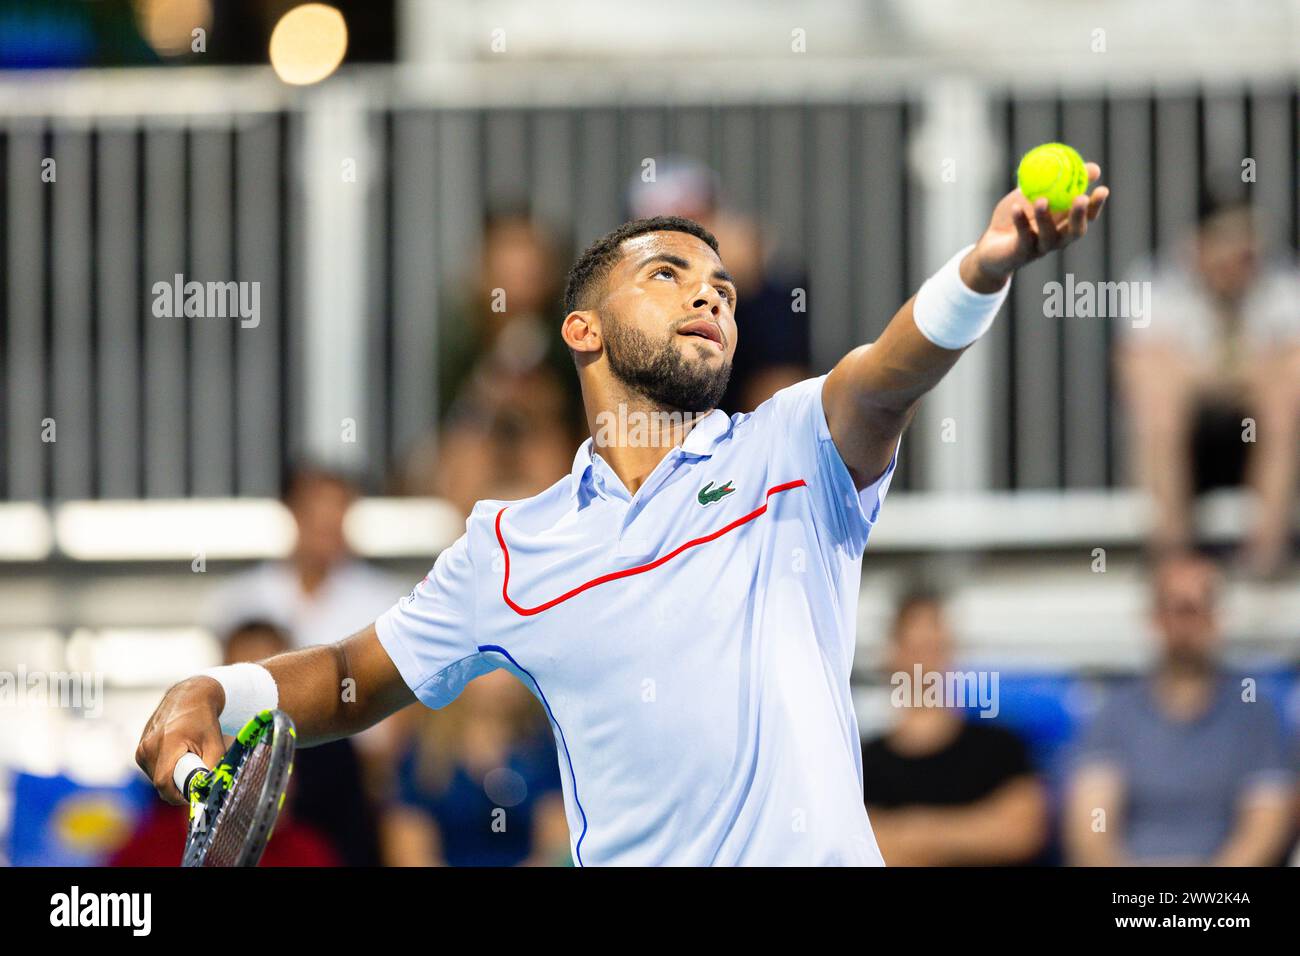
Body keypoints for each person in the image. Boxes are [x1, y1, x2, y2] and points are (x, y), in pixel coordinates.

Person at [137, 167, 1110, 866]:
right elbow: (353, 677)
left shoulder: (786, 451)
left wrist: (984, 269)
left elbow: (888, 374)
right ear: (582, 328)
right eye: (670, 274)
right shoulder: (510, 548)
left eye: (722, 288)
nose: (710, 295)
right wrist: (218, 691)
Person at [1063, 553, 1295, 866]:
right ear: (1154, 617)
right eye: (1176, 608)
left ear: (1216, 616)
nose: (1186, 624)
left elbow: (1265, 826)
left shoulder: (1254, 713)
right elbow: (1092, 828)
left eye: (1196, 608)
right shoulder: (1115, 713)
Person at [1116, 194, 1300, 576]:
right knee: (1158, 400)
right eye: (1227, 246)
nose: (1238, 262)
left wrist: (1208, 374)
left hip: (1252, 440)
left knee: (1284, 398)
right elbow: (1141, 370)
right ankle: (1174, 559)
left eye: (1246, 249)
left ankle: (1264, 561)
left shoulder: (1280, 285)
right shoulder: (1157, 285)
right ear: (1198, 246)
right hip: (1188, 444)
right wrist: (1242, 373)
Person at [862, 594, 1048, 865]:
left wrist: (913, 831)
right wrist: (970, 831)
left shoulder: (1000, 746)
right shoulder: (863, 762)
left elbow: (1021, 831)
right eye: (916, 648)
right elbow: (859, 847)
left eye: (934, 647)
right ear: (893, 654)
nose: (924, 663)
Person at [383, 669, 569, 867]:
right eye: (492, 665)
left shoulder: (544, 751)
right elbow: (409, 852)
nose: (505, 676)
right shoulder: (422, 758)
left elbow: (557, 850)